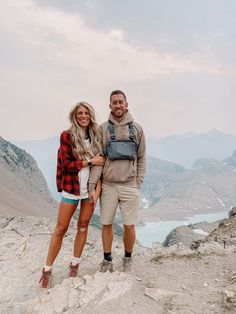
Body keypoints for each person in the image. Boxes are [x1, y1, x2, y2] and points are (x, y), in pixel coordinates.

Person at [39, 102, 105, 288]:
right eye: (79, 113)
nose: (83, 116)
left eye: (86, 113)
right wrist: (91, 160)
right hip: (71, 189)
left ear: (91, 116)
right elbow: (67, 164)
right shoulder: (67, 136)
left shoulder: (96, 137)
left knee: (83, 226)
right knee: (61, 228)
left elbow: (101, 166)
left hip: (89, 191)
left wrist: (97, 190)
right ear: (74, 116)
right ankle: (47, 269)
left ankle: (74, 264)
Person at [89, 90, 146, 273]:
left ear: (126, 104)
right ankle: (107, 259)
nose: (118, 105)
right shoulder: (103, 129)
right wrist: (93, 185)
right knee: (106, 223)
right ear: (110, 105)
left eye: (121, 102)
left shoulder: (137, 129)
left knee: (129, 225)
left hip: (130, 185)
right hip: (109, 185)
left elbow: (142, 157)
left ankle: (128, 256)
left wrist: (138, 182)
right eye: (115, 102)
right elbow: (98, 159)